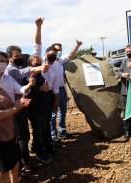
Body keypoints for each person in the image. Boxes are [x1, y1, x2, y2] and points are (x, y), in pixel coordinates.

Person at [5, 45, 48, 172]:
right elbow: (21, 73)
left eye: (20, 55)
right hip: (15, 109)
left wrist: (29, 86)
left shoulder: (16, 68)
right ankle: (24, 165)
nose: (19, 58)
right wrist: (39, 68)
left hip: (21, 107)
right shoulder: (11, 70)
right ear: (10, 58)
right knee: (21, 138)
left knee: (24, 137)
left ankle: (24, 163)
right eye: (16, 56)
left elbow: (21, 89)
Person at [0, 66, 31, 183]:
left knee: (15, 159)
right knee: (4, 167)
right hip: (0, 135)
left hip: (11, 131)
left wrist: (18, 104)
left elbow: (9, 104)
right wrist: (16, 108)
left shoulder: (0, 89)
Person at [33, 17, 61, 152]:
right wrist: (39, 27)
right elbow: (37, 44)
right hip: (38, 95)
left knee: (49, 120)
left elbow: (55, 85)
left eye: (54, 56)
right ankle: (37, 147)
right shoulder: (38, 61)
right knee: (39, 123)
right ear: (45, 54)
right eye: (50, 55)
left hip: (49, 95)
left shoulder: (55, 66)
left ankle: (47, 144)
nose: (51, 58)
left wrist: (55, 99)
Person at [50, 40, 82, 141]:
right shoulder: (48, 62)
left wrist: (77, 45)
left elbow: (71, 54)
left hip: (62, 90)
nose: (58, 52)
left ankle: (62, 130)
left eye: (60, 50)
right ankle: (53, 135)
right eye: (56, 50)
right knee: (53, 114)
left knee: (63, 112)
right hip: (53, 92)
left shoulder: (60, 60)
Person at [26, 54, 53, 164]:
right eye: (36, 64)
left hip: (42, 109)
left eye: (39, 63)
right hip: (36, 110)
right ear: (30, 65)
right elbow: (25, 92)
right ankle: (40, 154)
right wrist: (40, 89)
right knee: (39, 132)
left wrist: (45, 89)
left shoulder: (40, 75)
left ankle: (34, 148)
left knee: (41, 131)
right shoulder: (29, 77)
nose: (38, 66)